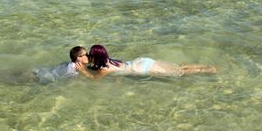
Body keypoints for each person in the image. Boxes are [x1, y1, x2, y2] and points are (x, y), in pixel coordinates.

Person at [80, 44, 217, 81]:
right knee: (178, 67)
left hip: (142, 69)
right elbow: (121, 69)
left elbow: (95, 80)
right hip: (141, 61)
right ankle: (207, 67)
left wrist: (83, 71)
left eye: (90, 55)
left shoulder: (104, 69)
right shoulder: (110, 61)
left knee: (179, 74)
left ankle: (209, 71)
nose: (88, 57)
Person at [0, 46, 89, 84]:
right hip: (34, 77)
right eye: (86, 54)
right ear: (79, 58)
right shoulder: (74, 70)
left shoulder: (67, 64)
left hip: (34, 71)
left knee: (1, 75)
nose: (88, 56)